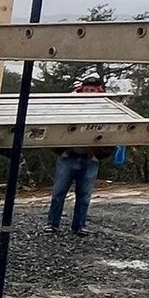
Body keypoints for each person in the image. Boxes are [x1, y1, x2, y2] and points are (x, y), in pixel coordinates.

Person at [47, 75, 110, 236]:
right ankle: (52, 224)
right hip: (68, 156)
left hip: (90, 159)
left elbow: (115, 134)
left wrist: (99, 155)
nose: (89, 93)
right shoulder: (69, 105)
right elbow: (55, 128)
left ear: (99, 91)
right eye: (87, 89)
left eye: (93, 90)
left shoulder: (108, 108)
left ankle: (79, 226)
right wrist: (62, 151)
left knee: (84, 195)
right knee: (58, 192)